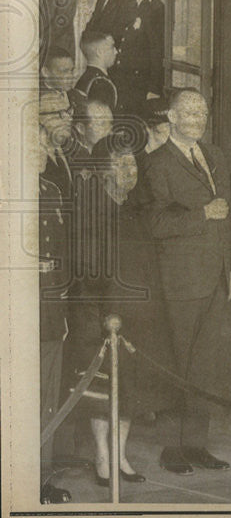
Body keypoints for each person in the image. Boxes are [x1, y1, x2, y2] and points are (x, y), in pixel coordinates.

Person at [63, 137, 172, 490]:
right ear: (100, 169)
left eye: (132, 164)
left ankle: (120, 454)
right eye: (120, 163)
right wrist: (101, 320)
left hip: (137, 319)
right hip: (102, 319)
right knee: (102, 392)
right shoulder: (91, 210)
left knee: (129, 391)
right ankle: (101, 456)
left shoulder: (137, 210)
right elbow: (85, 275)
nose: (129, 171)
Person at [145, 88, 231, 475]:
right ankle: (173, 449)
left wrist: (229, 269)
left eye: (202, 110)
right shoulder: (157, 164)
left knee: (206, 366)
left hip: (215, 277)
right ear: (171, 116)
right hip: (180, 281)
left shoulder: (215, 156)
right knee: (177, 365)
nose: (197, 118)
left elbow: (227, 220)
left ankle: (198, 445)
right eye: (189, 112)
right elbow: (155, 223)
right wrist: (202, 214)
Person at [35, 107, 72, 504]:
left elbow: (61, 256)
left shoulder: (51, 191)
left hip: (51, 312)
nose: (45, 148)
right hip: (22, 313)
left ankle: (42, 478)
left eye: (45, 141)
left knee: (47, 399)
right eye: (37, 142)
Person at [112, 0, 165, 117]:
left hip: (141, 85)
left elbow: (157, 51)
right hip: (126, 82)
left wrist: (154, 89)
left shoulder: (156, 8)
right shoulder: (132, 6)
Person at [73, 31, 119, 112]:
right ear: (99, 52)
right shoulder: (101, 84)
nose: (116, 51)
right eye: (112, 47)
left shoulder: (84, 78)